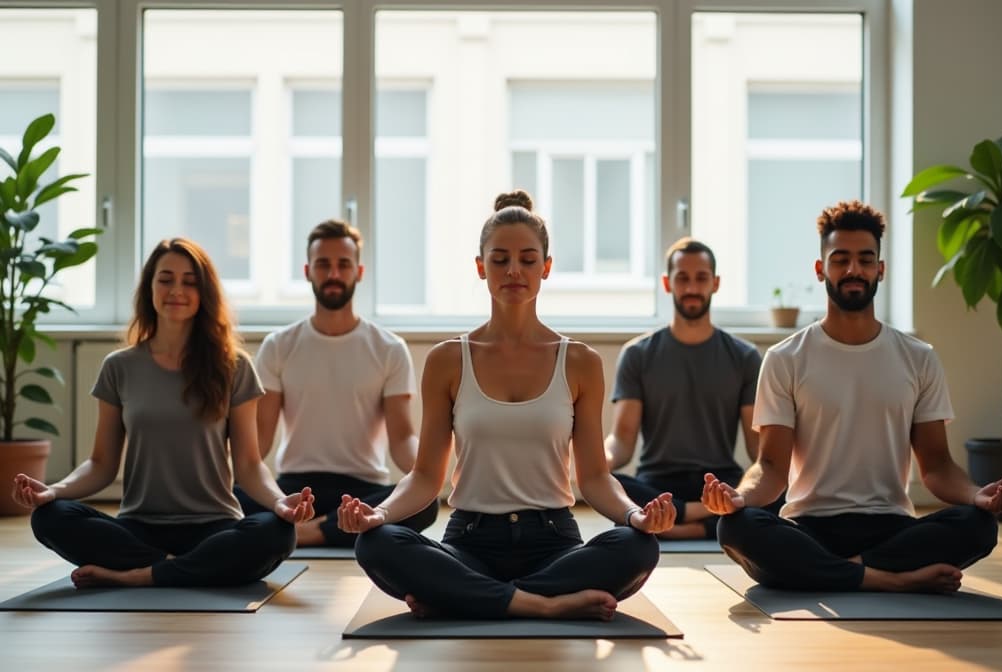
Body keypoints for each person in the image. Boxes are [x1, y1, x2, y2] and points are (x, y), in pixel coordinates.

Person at [338, 190, 676, 620]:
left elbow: (593, 478)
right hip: (470, 541)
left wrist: (634, 515)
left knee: (637, 546)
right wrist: (379, 514)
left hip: (553, 543)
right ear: (481, 267)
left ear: (546, 268)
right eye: (499, 260)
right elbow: (425, 476)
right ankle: (540, 605)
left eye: (528, 259)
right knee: (376, 543)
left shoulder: (580, 362)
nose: (513, 270)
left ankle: (466, 597)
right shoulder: (446, 360)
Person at [702, 200, 1002, 593]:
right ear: (821, 270)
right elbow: (770, 466)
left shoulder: (918, 358)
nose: (854, 270)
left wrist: (978, 495)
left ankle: (838, 573)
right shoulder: (785, 358)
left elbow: (937, 466)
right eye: (840, 260)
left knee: (979, 526)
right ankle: (887, 579)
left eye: (865, 260)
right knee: (737, 525)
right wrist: (739, 497)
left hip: (890, 527)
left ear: (880, 270)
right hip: (811, 525)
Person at [12, 238, 315, 588]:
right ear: (149, 287)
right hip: (139, 528)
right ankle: (184, 569)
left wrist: (280, 505)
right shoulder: (119, 367)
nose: (177, 290)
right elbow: (101, 464)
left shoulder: (234, 367)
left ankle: (142, 575)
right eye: (165, 279)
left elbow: (248, 465)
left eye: (189, 281)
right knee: (49, 518)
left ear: (204, 293)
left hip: (214, 525)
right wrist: (53, 491)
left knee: (276, 533)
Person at [235, 220, 438, 547]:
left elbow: (401, 439)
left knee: (425, 503)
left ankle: (304, 533)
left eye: (343, 264)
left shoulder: (389, 348)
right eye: (323, 264)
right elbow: (260, 438)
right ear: (307, 271)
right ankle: (333, 529)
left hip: (363, 489)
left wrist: (430, 471)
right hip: (296, 490)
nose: (333, 274)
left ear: (358, 272)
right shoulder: (279, 345)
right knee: (231, 496)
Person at [605, 237, 764, 540]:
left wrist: (777, 475)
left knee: (771, 492)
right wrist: (599, 463)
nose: (692, 288)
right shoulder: (638, 354)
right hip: (657, 483)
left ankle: (671, 524)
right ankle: (702, 522)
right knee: (611, 486)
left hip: (718, 483)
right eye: (683, 278)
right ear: (667, 283)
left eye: (701, 278)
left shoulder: (744, 356)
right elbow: (622, 440)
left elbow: (759, 448)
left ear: (715, 283)